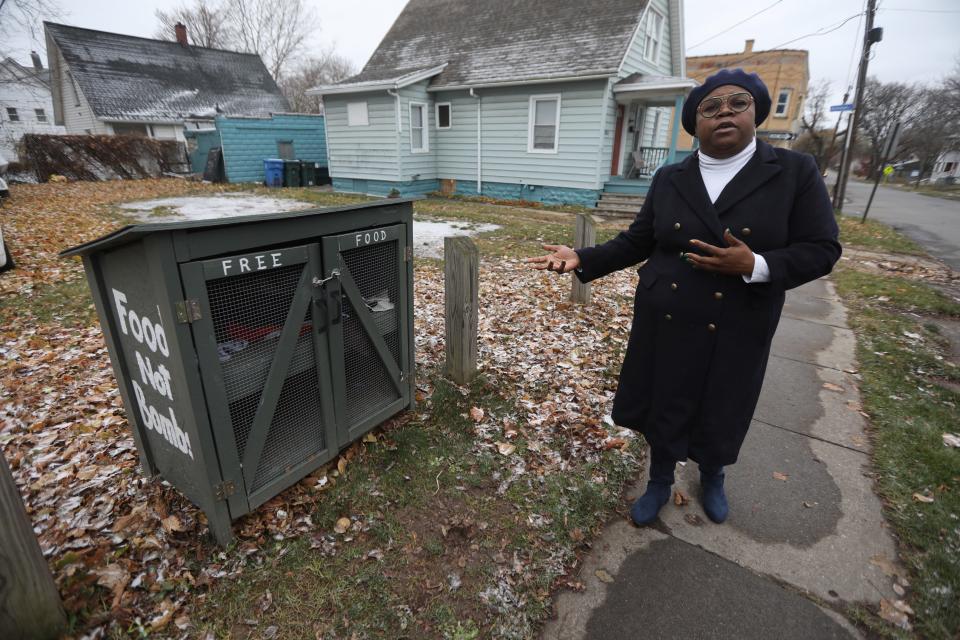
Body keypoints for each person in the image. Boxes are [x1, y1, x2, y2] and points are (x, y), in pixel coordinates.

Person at [526, 68, 841, 525]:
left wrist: (755, 265)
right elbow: (639, 240)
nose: (724, 113)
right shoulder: (672, 176)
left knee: (723, 401)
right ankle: (658, 478)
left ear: (756, 111)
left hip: (739, 317)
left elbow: (822, 249)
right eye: (710, 108)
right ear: (695, 123)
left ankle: (712, 474)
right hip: (667, 314)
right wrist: (583, 257)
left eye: (737, 103)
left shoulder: (793, 171)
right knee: (666, 398)